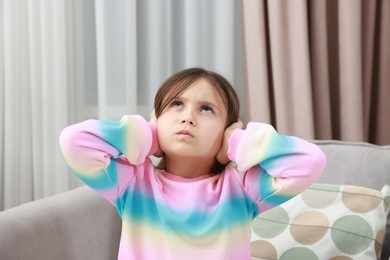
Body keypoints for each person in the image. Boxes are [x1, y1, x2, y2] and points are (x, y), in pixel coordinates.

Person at [59, 67, 326, 260]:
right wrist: (150, 136)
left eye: (206, 109)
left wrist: (236, 143)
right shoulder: (133, 184)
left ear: (227, 128)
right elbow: (74, 141)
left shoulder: (241, 188)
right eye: (176, 105)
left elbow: (310, 162)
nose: (187, 118)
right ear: (156, 119)